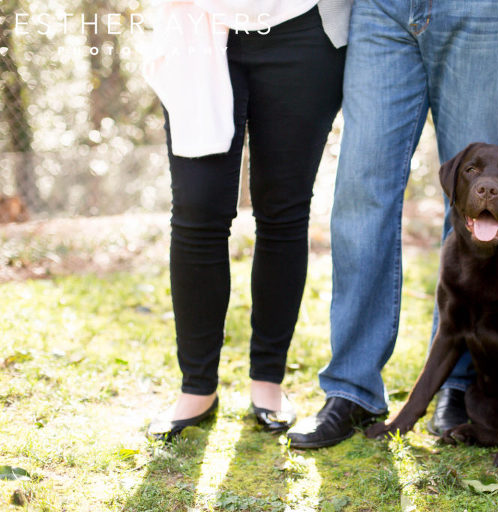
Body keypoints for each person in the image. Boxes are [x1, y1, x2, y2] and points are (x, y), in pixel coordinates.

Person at [287, 0, 498, 448]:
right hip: (380, 8)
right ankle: (351, 386)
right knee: (361, 191)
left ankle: (460, 382)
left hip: (485, 10)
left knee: (481, 202)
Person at [144, 0, 352, 440]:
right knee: (197, 211)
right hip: (197, 26)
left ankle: (268, 381)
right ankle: (196, 387)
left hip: (303, 26)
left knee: (283, 210)